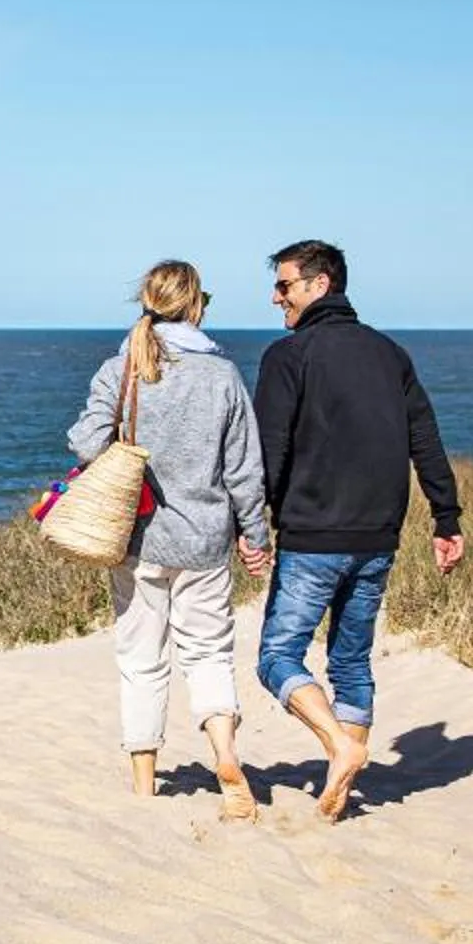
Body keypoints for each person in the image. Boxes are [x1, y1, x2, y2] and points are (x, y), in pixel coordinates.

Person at [251, 239, 465, 822]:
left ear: (319, 284)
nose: (276, 297)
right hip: (377, 539)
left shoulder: (288, 356)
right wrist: (446, 517)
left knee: (276, 657)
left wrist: (253, 524)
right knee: (350, 664)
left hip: (312, 539)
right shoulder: (390, 354)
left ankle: (338, 746)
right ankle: (338, 796)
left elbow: (270, 451)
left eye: (284, 286)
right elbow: (426, 440)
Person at [68, 259, 274, 821]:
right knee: (208, 654)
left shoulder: (121, 368)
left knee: (141, 660)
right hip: (204, 541)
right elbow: (244, 470)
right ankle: (225, 756)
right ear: (196, 305)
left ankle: (144, 786)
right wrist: (255, 535)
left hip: (137, 539)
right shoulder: (223, 376)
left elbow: (86, 443)